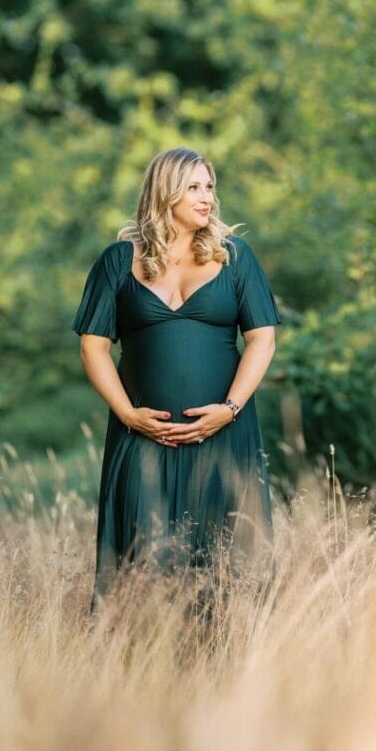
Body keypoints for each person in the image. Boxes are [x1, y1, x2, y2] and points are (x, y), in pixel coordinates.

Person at [71, 146, 281, 611]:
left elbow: (262, 340)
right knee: (140, 566)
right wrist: (129, 415)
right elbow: (93, 346)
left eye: (210, 187)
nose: (206, 198)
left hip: (224, 437)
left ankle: (227, 669)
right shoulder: (117, 261)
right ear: (165, 192)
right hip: (142, 438)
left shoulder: (234, 257)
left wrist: (228, 411)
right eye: (194, 187)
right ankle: (141, 671)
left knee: (227, 564)